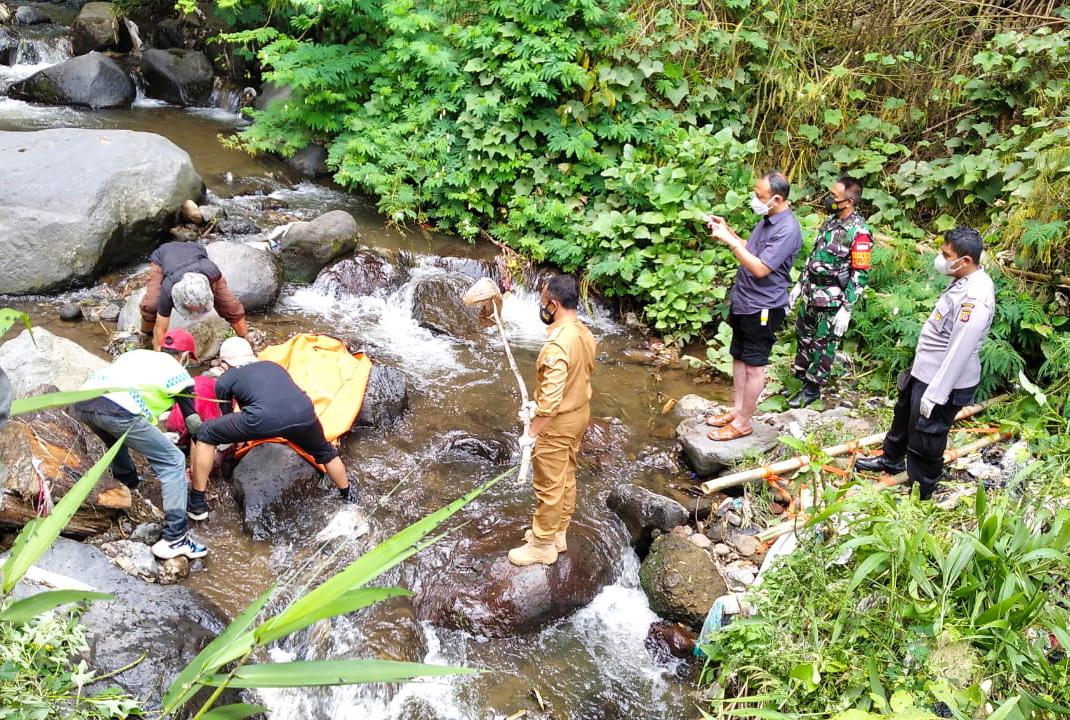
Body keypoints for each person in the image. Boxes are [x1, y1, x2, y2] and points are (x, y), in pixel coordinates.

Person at [855, 226, 995, 499]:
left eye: (946, 254)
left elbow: (960, 350)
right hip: (925, 371)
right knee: (903, 416)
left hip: (943, 381)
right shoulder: (962, 280)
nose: (940, 258)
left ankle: (922, 492)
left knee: (926, 437)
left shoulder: (976, 298)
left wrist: (936, 394)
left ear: (965, 261)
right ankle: (891, 459)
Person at [187, 337, 357, 519]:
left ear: (225, 363)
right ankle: (348, 496)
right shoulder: (272, 365)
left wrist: (236, 441)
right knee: (325, 452)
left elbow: (227, 418)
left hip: (263, 418)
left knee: (206, 433)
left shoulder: (226, 378)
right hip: (304, 411)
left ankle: (197, 502)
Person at [71, 342, 208, 560]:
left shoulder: (138, 356)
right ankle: (175, 537)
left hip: (84, 402)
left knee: (116, 439)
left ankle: (128, 484)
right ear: (183, 356)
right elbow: (193, 425)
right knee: (173, 460)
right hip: (118, 409)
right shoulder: (179, 374)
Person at [705, 171, 802, 441]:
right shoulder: (768, 219)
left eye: (760, 197)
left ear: (777, 199)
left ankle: (744, 422)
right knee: (738, 355)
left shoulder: (787, 229)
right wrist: (728, 231)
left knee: (754, 366)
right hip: (745, 301)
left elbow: (760, 268)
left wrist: (730, 242)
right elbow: (752, 249)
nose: (755, 200)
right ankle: (737, 411)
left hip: (764, 306)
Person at [509, 275, 596, 567]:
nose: (541, 306)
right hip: (579, 414)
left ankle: (542, 544)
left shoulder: (557, 345)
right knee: (567, 475)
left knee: (548, 483)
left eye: (543, 301)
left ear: (554, 304)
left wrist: (532, 432)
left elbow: (551, 400)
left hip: (557, 424)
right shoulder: (583, 332)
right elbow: (582, 373)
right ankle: (559, 532)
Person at [786, 176, 873, 408]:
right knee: (803, 337)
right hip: (812, 293)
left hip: (833, 299)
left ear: (849, 200)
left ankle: (812, 390)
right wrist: (799, 284)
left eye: (835, 197)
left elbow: (860, 273)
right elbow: (814, 257)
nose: (829, 200)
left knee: (822, 344)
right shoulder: (830, 223)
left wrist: (847, 307)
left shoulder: (859, 232)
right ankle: (801, 379)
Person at [140, 241, 248, 351]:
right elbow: (160, 329)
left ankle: (246, 339)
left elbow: (219, 297)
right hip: (163, 255)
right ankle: (145, 334)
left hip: (194, 251)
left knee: (229, 305)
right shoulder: (168, 288)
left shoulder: (212, 272)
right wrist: (161, 354)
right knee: (151, 305)